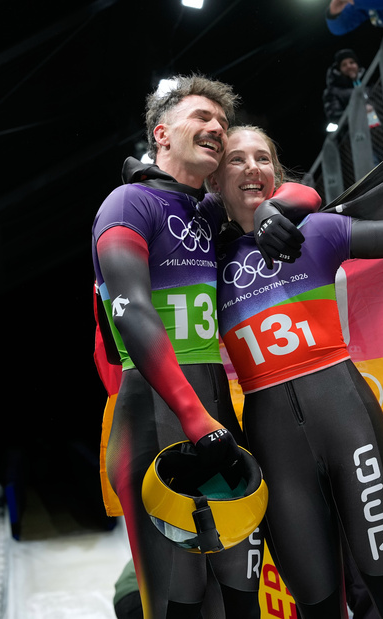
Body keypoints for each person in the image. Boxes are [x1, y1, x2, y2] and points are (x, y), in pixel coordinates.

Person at [207, 89, 383, 618]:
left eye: (263, 158)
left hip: (348, 418)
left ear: (276, 175)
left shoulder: (317, 232)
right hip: (273, 444)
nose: (252, 168)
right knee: (318, 608)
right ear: (215, 181)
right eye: (236, 159)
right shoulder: (206, 263)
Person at [91, 74, 320, 618]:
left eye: (222, 120)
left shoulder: (208, 212)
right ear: (161, 133)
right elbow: (131, 311)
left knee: (241, 604)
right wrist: (197, 422)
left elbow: (304, 192)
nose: (217, 127)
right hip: (157, 425)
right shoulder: (126, 204)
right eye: (202, 117)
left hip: (217, 425)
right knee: (179, 606)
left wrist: (272, 211)